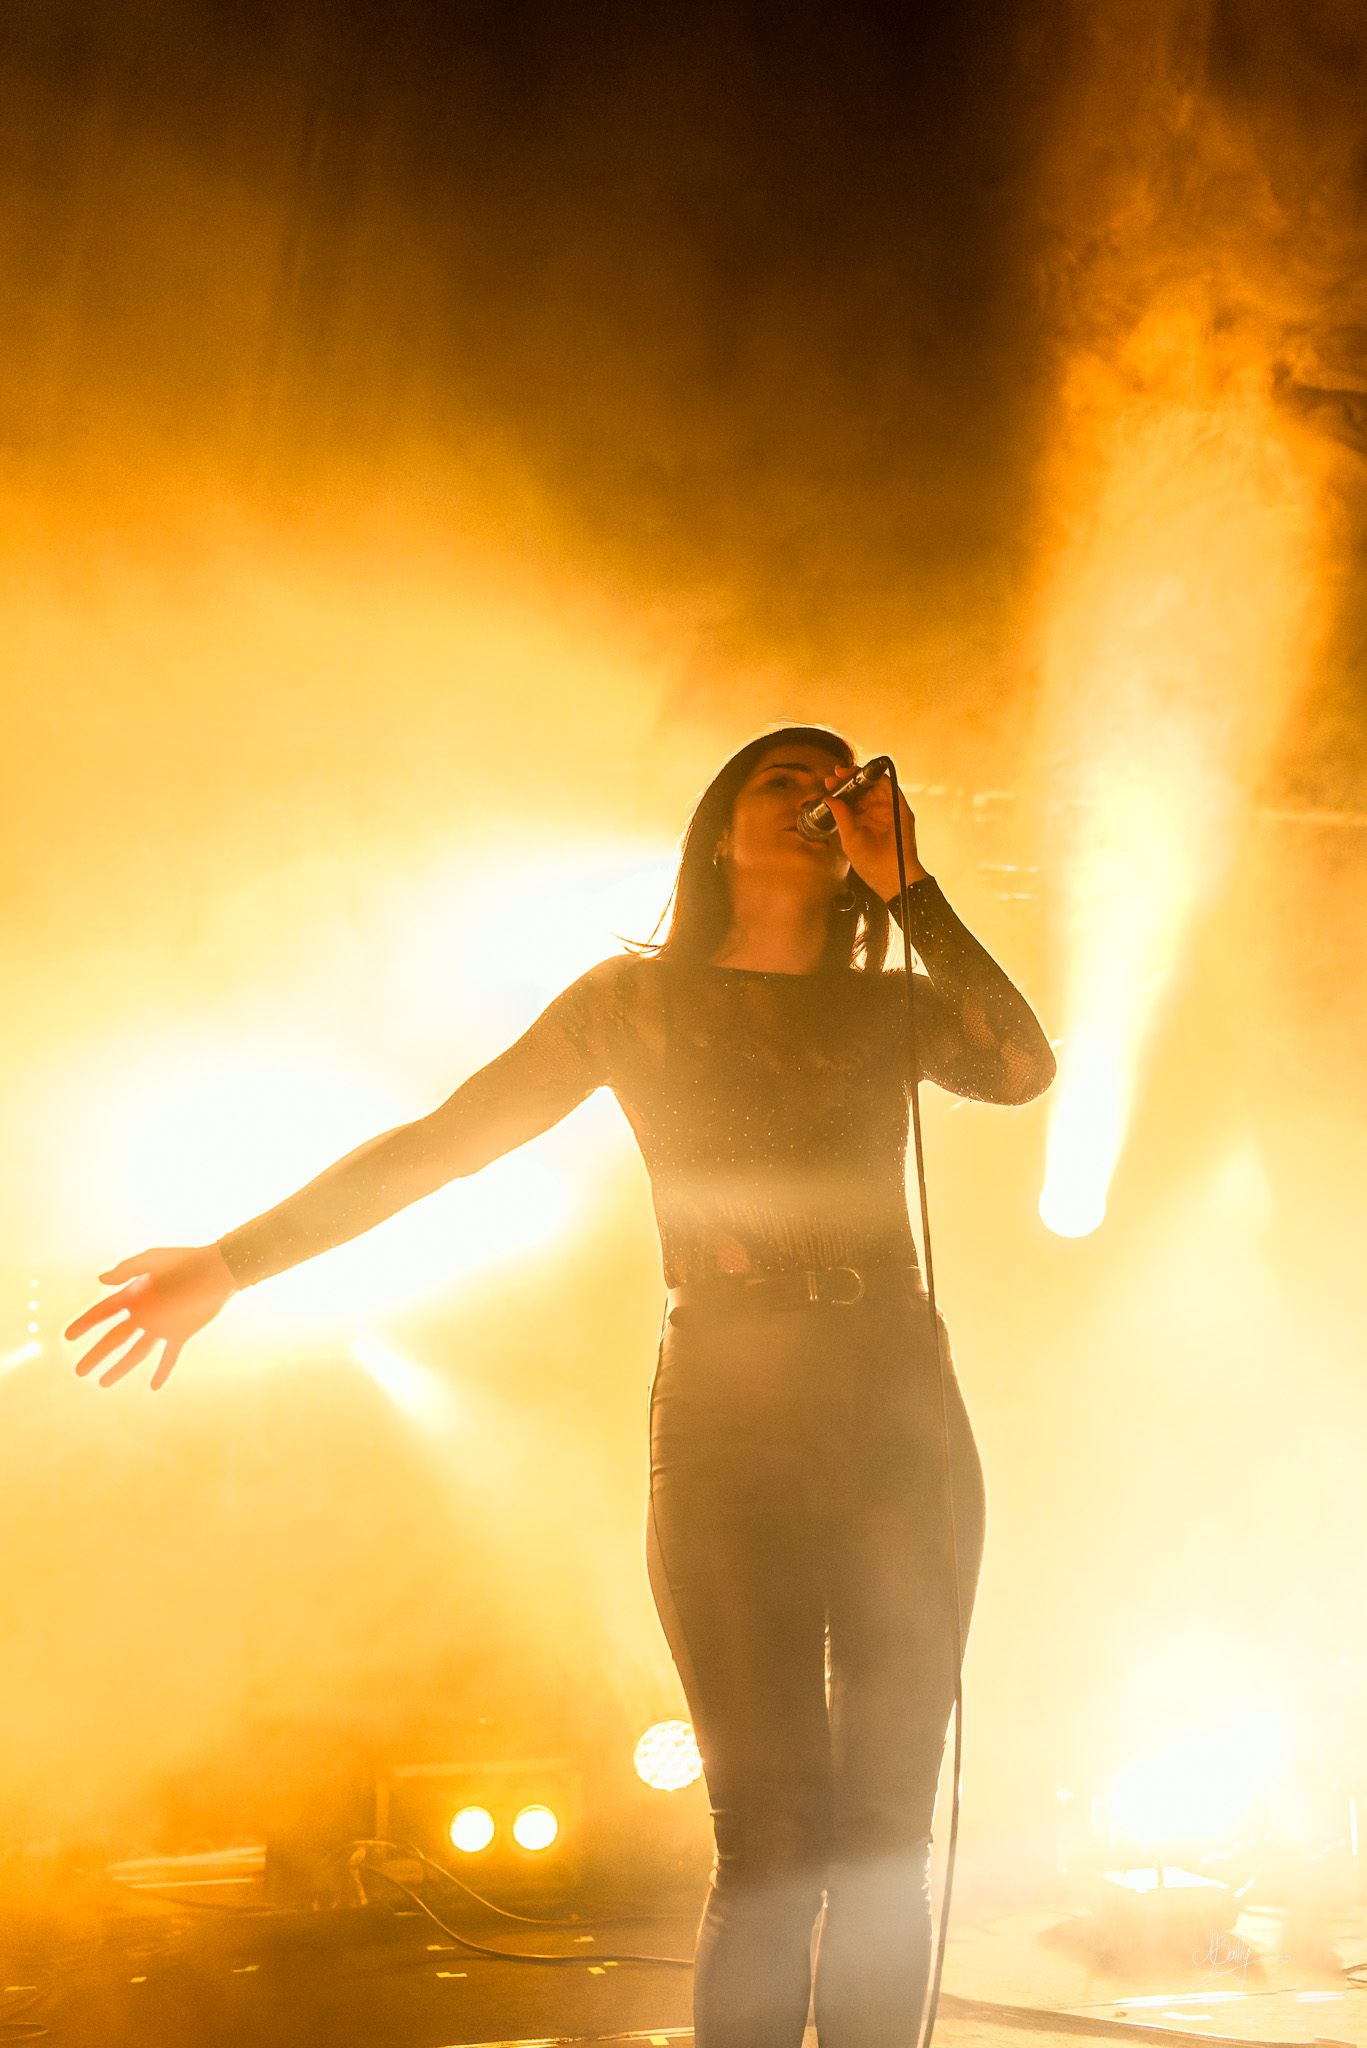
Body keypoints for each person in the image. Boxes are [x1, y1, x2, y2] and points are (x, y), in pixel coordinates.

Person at [67, 725, 1054, 2048]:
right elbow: (444, 1143)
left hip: (894, 1406)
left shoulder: (892, 1008)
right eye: (782, 778)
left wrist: (912, 891)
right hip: (729, 1412)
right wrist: (233, 1263)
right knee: (771, 1833)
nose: (816, 796)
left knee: (882, 1834)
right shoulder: (633, 1003)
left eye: (835, 781)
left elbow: (1020, 1066)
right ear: (719, 831)